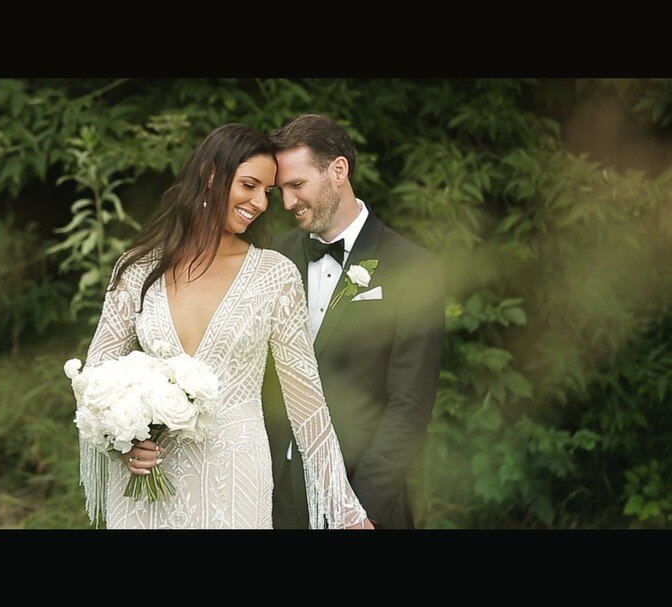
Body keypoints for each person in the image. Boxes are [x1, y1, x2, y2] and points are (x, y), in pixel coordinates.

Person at [77, 123, 373, 529]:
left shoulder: (274, 276)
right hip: (143, 483)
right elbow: (92, 379)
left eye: (266, 193)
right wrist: (121, 444)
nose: (259, 203)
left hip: (233, 481)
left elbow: (307, 406)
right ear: (211, 176)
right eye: (249, 185)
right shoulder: (137, 269)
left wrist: (343, 512)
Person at [262, 113, 445, 529]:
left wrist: (362, 510)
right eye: (281, 190)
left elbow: (409, 404)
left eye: (297, 185)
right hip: (270, 491)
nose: (287, 202)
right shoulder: (274, 258)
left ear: (338, 171)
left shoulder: (413, 267)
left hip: (358, 493)